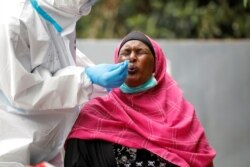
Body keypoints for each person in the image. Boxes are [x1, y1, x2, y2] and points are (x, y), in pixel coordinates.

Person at [0, 0, 128, 166]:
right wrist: (87, 79)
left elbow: (61, 60)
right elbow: (24, 90)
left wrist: (98, 79)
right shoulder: (13, 20)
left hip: (48, 146)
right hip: (13, 149)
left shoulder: (57, 13)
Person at [64, 31, 216, 167]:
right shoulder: (96, 113)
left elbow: (202, 160)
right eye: (125, 52)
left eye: (140, 52)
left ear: (156, 64)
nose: (131, 57)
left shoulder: (181, 114)